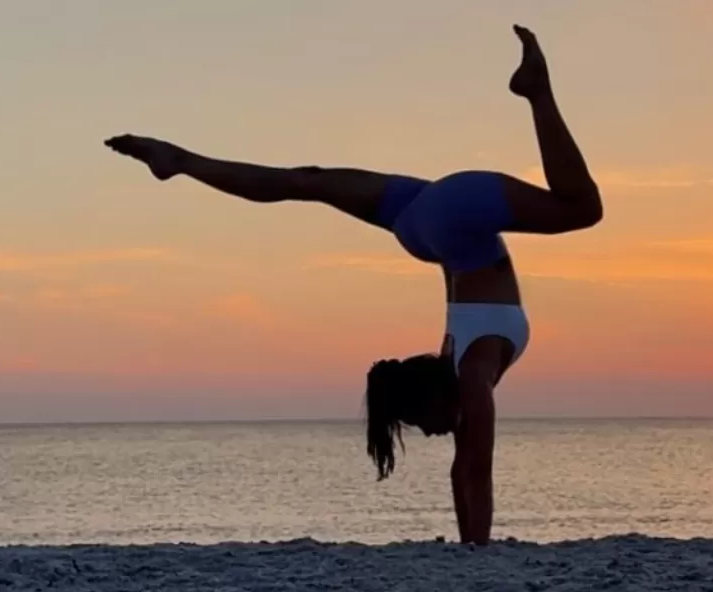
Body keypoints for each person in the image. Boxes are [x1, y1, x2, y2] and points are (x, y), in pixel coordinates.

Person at [103, 24, 601, 545]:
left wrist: (472, 548)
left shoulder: (473, 370)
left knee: (308, 181)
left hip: (440, 219)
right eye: (421, 423)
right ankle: (177, 160)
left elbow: (470, 469)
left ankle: (180, 160)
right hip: (432, 222)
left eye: (417, 422)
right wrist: (473, 549)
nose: (430, 431)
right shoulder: (469, 371)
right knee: (307, 181)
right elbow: (469, 469)